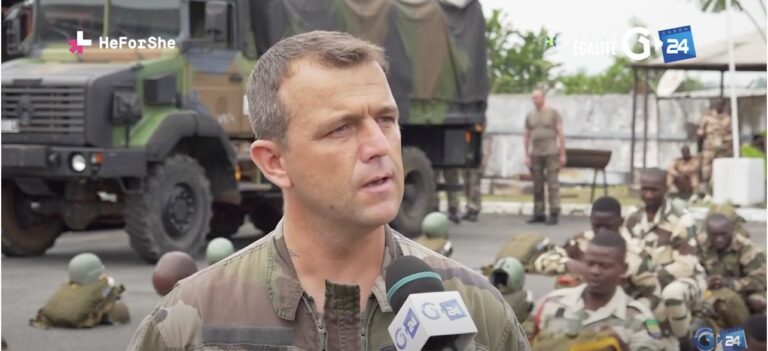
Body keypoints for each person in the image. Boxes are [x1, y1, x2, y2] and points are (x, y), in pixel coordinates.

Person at [128, 31, 530, 350]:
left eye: (386, 119)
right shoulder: (194, 319)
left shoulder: (476, 310)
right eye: (341, 128)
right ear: (274, 162)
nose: (379, 146)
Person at [531, 230, 663, 351]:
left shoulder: (640, 319)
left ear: (623, 269)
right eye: (590, 263)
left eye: (604, 266)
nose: (595, 271)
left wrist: (621, 347)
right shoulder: (551, 304)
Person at [533, 196, 661, 310]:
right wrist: (568, 264)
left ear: (621, 222)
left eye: (608, 226)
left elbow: (653, 294)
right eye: (597, 226)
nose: (602, 231)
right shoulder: (580, 242)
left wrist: (630, 312)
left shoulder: (635, 255)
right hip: (573, 312)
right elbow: (541, 263)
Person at [625, 168, 706, 344]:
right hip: (645, 282)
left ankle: (685, 343)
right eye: (644, 189)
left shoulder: (682, 219)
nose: (648, 194)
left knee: (672, 294)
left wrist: (651, 280)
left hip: (683, 280)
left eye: (654, 190)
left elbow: (686, 266)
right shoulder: (633, 219)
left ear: (665, 189)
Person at [697, 214, 766, 327]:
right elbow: (688, 268)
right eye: (714, 235)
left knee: (757, 302)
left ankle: (749, 333)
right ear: (708, 233)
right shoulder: (699, 244)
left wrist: (729, 283)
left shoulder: (747, 248)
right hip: (707, 289)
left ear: (731, 231)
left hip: (742, 290)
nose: (719, 239)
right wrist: (704, 281)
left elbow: (760, 280)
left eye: (723, 234)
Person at [31, 253, 128, 329]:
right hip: (78, 319)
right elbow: (110, 293)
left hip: (48, 317)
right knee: (119, 308)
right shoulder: (100, 287)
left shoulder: (67, 286)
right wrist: (109, 284)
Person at [524, 89, 566, 225]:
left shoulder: (552, 113)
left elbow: (560, 133)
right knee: (537, 184)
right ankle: (539, 212)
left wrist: (562, 153)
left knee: (552, 183)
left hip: (551, 152)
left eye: (537, 97)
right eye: (533, 98)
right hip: (535, 153)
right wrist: (526, 154)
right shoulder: (530, 115)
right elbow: (526, 135)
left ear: (543, 98)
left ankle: (554, 211)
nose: (535, 100)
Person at [697, 99, 733, 193]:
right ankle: (705, 191)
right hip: (709, 148)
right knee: (706, 170)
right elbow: (700, 133)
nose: (719, 106)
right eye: (718, 104)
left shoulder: (727, 118)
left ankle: (720, 190)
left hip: (723, 149)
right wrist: (699, 148)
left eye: (721, 104)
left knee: (721, 170)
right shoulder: (707, 117)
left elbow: (731, 133)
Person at [463, 133, 493, 222]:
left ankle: (474, 210)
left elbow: (487, 149)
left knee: (474, 187)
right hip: (467, 160)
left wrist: (483, 164)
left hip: (477, 162)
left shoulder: (484, 133)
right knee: (467, 186)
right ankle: (469, 208)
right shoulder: (467, 132)